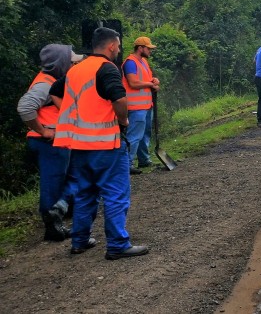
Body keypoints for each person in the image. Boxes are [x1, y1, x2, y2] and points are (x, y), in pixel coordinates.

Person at [54, 27, 149, 260]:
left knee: (86, 194)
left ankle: (79, 241)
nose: (117, 49)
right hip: (106, 144)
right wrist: (123, 119)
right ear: (111, 46)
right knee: (116, 194)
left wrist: (75, 118)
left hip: (79, 145)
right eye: (117, 45)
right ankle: (117, 244)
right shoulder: (107, 68)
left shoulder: (76, 70)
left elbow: (55, 92)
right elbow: (119, 98)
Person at [17, 44, 84, 241]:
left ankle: (59, 214)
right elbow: (25, 107)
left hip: (55, 141)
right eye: (71, 62)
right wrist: (43, 130)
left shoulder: (52, 80)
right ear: (60, 63)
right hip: (49, 142)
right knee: (52, 184)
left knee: (70, 177)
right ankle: (52, 227)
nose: (74, 65)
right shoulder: (45, 84)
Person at [122, 36, 160, 173]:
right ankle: (128, 164)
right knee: (134, 135)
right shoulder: (130, 63)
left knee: (144, 134)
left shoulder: (143, 61)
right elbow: (133, 82)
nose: (150, 51)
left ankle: (144, 160)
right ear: (140, 48)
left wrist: (154, 80)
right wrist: (151, 84)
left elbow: (146, 79)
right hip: (136, 107)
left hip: (146, 105)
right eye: (148, 48)